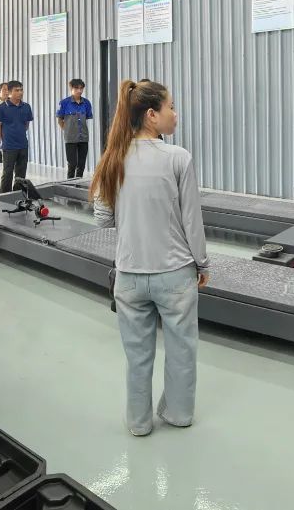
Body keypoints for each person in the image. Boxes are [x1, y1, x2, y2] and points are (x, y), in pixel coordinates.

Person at [91, 79, 210, 437]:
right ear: (151, 115)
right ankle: (178, 414)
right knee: (181, 350)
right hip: (174, 274)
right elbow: (192, 221)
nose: (176, 113)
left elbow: (102, 219)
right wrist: (202, 263)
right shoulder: (177, 157)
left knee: (137, 356)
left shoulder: (113, 157)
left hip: (129, 275)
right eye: (171, 106)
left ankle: (139, 422)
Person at [0, 81, 33, 193]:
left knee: (21, 174)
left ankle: (18, 194)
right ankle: (4, 196)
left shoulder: (26, 107)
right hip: (9, 146)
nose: (20, 92)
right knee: (7, 173)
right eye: (17, 90)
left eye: (21, 90)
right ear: (9, 92)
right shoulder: (2, 107)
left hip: (23, 145)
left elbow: (26, 125)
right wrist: (3, 140)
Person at [56, 78, 93, 179]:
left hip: (83, 138)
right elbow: (60, 120)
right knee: (72, 164)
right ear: (71, 88)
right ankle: (70, 183)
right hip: (70, 139)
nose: (79, 91)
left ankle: (78, 183)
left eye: (81, 88)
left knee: (81, 164)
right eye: (76, 88)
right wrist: (68, 131)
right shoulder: (64, 103)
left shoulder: (86, 103)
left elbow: (87, 117)